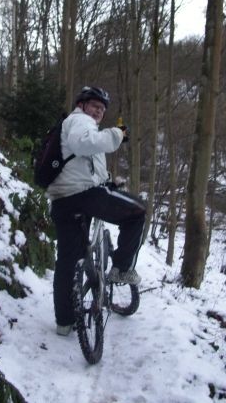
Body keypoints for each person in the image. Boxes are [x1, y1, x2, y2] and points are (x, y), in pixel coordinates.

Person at [47, 86, 146, 336]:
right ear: (81, 105)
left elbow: (85, 166)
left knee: (68, 261)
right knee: (137, 213)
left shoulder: (72, 125)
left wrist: (108, 183)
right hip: (83, 196)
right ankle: (122, 268)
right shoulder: (81, 121)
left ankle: (64, 321)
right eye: (95, 106)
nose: (98, 112)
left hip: (62, 200)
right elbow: (83, 144)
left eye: (102, 109)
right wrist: (117, 134)